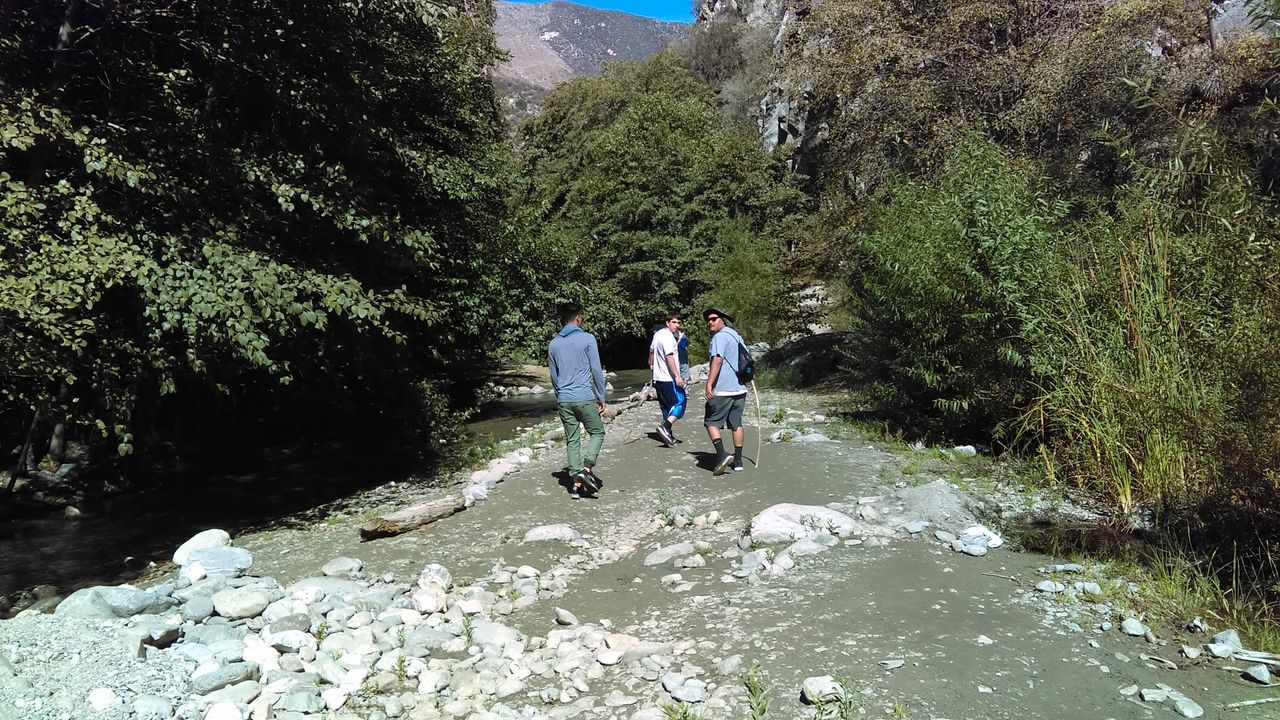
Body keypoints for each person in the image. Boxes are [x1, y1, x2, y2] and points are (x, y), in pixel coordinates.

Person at [548, 304, 606, 499]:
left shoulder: (554, 344)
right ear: (578, 319)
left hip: (564, 398)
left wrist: (560, 396)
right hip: (584, 396)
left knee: (572, 439)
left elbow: (554, 377)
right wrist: (601, 395)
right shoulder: (588, 339)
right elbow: (596, 370)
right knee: (597, 432)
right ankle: (587, 468)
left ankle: (576, 485)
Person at [703, 308, 748, 475]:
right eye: (708, 319)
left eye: (714, 318)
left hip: (723, 389)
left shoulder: (720, 337)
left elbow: (717, 360)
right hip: (740, 389)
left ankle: (722, 454)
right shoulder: (736, 335)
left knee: (711, 422)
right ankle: (738, 461)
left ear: (722, 319)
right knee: (736, 424)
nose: (710, 322)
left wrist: (709, 384)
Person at [648, 313, 686, 447]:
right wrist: (677, 376)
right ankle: (666, 426)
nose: (677, 325)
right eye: (674, 322)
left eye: (678, 323)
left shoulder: (657, 335)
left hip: (658, 379)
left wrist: (651, 363)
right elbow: (669, 357)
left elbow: (651, 349)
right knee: (680, 403)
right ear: (667, 323)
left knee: (666, 407)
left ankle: (668, 435)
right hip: (668, 378)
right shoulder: (668, 337)